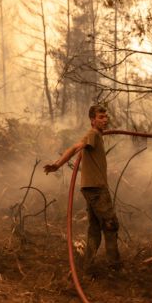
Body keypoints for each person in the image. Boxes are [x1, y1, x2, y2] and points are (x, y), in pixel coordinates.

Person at [43, 105, 121, 273]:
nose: (105, 119)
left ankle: (88, 265)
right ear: (92, 120)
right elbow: (74, 148)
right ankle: (114, 266)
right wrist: (57, 165)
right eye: (101, 117)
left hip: (91, 188)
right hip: (97, 189)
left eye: (105, 116)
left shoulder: (97, 135)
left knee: (94, 228)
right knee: (111, 224)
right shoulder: (92, 134)